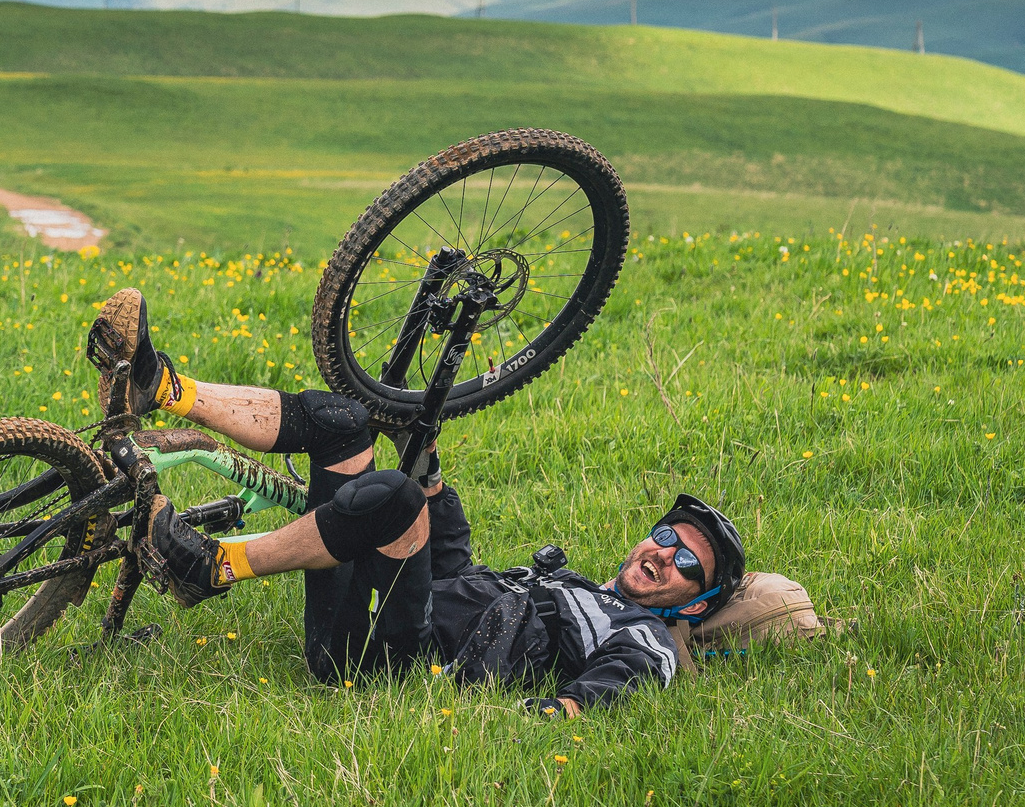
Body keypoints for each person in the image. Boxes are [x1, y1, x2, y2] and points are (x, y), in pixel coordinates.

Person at [86, 288, 745, 713]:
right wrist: (434, 481)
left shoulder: (646, 636)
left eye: (689, 564)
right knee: (344, 419)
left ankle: (210, 566)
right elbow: (452, 567)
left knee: (392, 498)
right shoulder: (565, 582)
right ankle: (159, 385)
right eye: (667, 537)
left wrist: (564, 710)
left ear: (693, 601)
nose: (666, 556)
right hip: (374, 610)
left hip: (389, 661)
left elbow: (622, 680)